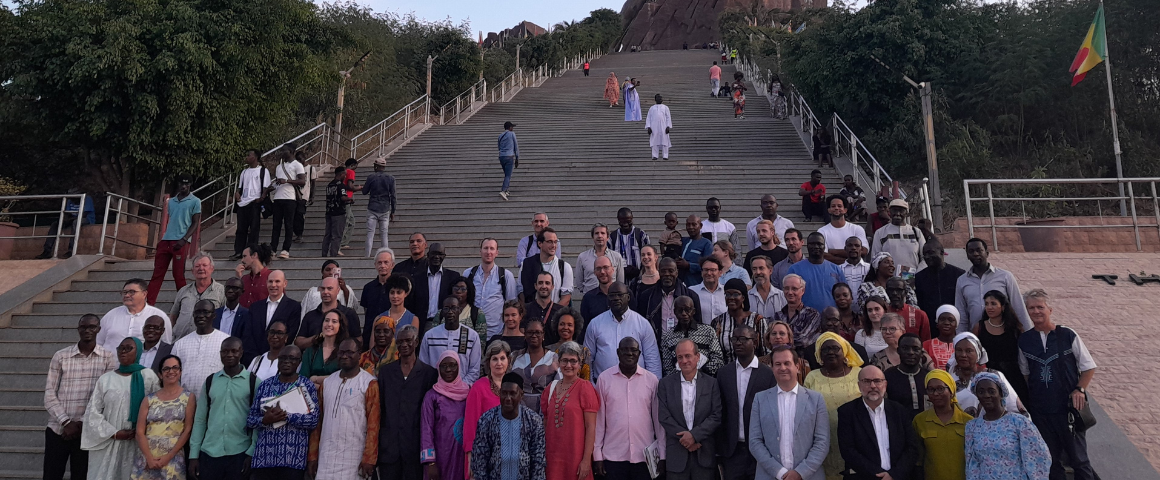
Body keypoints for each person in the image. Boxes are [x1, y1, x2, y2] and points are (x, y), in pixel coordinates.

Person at [1017, 289, 1098, 480]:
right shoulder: (1024, 341)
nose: (1036, 311)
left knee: (1079, 460)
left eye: (1040, 307)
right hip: (1041, 410)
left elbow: (1088, 367)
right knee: (1050, 460)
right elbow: (1026, 374)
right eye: (1031, 308)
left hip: (1068, 410)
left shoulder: (1067, 335)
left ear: (1049, 309)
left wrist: (1079, 389)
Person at [43, 314, 118, 480]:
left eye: (92, 327)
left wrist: (82, 423)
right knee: (51, 475)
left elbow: (104, 397)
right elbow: (49, 393)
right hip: (58, 429)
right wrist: (66, 422)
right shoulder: (61, 356)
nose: (87, 331)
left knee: (81, 476)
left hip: (87, 431)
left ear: (99, 329)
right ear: (78, 330)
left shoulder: (107, 358)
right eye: (83, 327)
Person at [81, 337, 162, 479]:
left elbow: (156, 410)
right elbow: (92, 413)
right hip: (108, 441)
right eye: (121, 348)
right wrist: (114, 433)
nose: (123, 351)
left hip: (137, 442)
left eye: (129, 348)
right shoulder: (105, 379)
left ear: (138, 352)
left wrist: (141, 432)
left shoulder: (148, 376)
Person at [750, 345, 830, 480]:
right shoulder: (760, 399)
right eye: (777, 364)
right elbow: (755, 441)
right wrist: (779, 472)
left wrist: (800, 472)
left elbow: (822, 441)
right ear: (772, 368)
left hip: (808, 476)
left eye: (787, 363)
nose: (782, 368)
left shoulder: (816, 399)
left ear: (797, 366)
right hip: (770, 475)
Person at [592, 337, 666, 480]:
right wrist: (597, 456)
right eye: (625, 350)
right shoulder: (604, 379)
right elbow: (599, 421)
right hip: (613, 456)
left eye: (633, 350)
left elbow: (658, 421)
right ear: (618, 353)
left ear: (639, 353)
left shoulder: (651, 380)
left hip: (644, 457)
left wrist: (662, 455)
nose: (629, 353)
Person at [306, 339, 380, 480]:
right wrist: (312, 456)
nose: (344, 356)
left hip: (354, 459)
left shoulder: (369, 383)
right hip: (326, 459)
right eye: (341, 352)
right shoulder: (327, 383)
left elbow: (373, 425)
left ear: (359, 355)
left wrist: (369, 459)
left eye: (349, 352)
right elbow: (318, 423)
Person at [245, 345, 319, 479]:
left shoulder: (306, 385)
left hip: (293, 460)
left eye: (292, 358)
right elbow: (250, 419)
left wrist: (286, 416)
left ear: (299, 362)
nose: (286, 362)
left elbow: (313, 420)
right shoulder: (265, 385)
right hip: (264, 458)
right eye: (283, 358)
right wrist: (264, 420)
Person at [835, 365, 920, 480]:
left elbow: (912, 447)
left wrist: (894, 474)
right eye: (867, 381)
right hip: (863, 477)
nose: (873, 386)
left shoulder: (899, 411)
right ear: (859, 385)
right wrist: (879, 475)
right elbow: (848, 451)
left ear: (885, 385)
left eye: (877, 381)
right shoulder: (847, 412)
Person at [188, 338, 257, 480]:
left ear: (241, 353)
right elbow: (200, 420)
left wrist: (251, 453)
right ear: (220, 354)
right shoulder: (210, 381)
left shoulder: (254, 381)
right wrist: (194, 455)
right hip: (209, 453)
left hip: (239, 452)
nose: (229, 354)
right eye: (225, 351)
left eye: (234, 351)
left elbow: (258, 421)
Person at [963, 372, 1050, 480]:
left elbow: (1037, 458)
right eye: (981, 391)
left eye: (991, 391)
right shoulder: (972, 427)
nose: (986, 395)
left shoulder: (1019, 422)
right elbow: (972, 465)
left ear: (1001, 393)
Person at [377, 325, 437, 480]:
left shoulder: (429, 374)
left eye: (408, 340)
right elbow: (380, 409)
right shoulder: (385, 372)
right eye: (400, 341)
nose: (404, 345)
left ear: (416, 342)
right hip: (389, 449)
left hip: (414, 449)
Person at [715, 324, 774, 480]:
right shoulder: (723, 373)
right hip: (732, 452)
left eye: (743, 339)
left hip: (760, 451)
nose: (738, 343)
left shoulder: (767, 374)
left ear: (755, 342)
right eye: (734, 339)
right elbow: (720, 412)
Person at [657, 340, 722, 480]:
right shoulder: (665, 384)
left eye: (688, 356)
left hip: (703, 452)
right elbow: (664, 416)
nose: (684, 361)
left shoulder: (712, 383)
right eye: (680, 357)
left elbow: (716, 415)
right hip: (677, 455)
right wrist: (685, 438)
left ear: (697, 357)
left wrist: (694, 436)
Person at [802, 333, 863, 479]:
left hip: (857, 439)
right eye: (825, 349)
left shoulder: (859, 374)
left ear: (844, 351)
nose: (830, 352)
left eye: (835, 348)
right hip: (823, 440)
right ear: (819, 354)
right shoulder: (812, 377)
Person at [470, 372, 547, 480]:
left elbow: (538, 462)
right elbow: (479, 461)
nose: (507, 398)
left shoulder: (533, 421)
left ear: (521, 394)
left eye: (512, 393)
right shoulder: (486, 420)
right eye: (504, 393)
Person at [541, 341, 599, 480]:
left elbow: (591, 427)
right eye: (564, 360)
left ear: (580, 364)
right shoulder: (550, 388)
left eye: (573, 361)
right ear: (559, 362)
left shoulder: (585, 387)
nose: (568, 365)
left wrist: (586, 461)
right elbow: (545, 423)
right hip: (552, 457)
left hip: (576, 458)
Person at [131, 354, 194, 480]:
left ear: (180, 372)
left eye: (175, 368)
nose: (171, 371)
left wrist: (168, 457)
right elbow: (139, 432)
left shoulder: (188, 397)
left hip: (173, 458)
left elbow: (187, 430)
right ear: (160, 374)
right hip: (147, 457)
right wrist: (149, 458)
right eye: (166, 369)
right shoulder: (149, 399)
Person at [584, 282, 663, 381]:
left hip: (637, 385)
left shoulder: (642, 324)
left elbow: (652, 359)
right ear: (607, 299)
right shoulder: (595, 324)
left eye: (620, 295)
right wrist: (591, 386)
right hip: (602, 387)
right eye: (612, 295)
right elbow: (587, 359)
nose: (616, 298)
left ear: (628, 297)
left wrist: (654, 387)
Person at [955, 238, 1031, 333]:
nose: (975, 254)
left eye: (979, 250)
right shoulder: (962, 281)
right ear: (967, 255)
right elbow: (961, 312)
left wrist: (1029, 335)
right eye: (971, 251)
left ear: (987, 253)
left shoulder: (1005, 276)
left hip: (1005, 334)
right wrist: (961, 337)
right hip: (976, 335)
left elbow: (1018, 307)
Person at [147, 174, 202, 305]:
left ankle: (184, 303)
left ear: (190, 185)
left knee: (178, 275)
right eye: (181, 184)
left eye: (187, 184)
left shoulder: (195, 201)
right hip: (166, 240)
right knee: (157, 274)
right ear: (178, 184)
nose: (184, 186)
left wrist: (184, 239)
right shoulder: (171, 201)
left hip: (180, 241)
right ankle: (149, 303)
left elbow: (195, 223)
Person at [912, 369, 972, 480]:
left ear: (951, 391)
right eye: (931, 390)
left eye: (940, 389)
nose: (935, 394)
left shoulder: (968, 422)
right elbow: (918, 460)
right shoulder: (920, 421)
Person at [464, 340, 511, 477]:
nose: (499, 363)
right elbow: (470, 425)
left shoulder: (513, 386)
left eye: (502, 358)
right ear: (488, 362)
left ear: (508, 360)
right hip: (483, 454)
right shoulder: (478, 388)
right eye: (494, 359)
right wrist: (471, 457)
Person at [420, 351, 470, 480]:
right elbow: (426, 430)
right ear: (438, 368)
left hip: (462, 455)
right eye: (444, 366)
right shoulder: (432, 396)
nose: (448, 369)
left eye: (452, 365)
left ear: (459, 366)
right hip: (440, 457)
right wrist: (430, 462)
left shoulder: (469, 393)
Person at [948, 332, 1024, 417]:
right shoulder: (949, 379)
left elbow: (1014, 406)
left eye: (969, 351)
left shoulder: (994, 376)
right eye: (959, 350)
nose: (963, 355)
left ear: (978, 353)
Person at [975, 290, 1030, 403]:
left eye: (993, 303)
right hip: (988, 377)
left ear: (1003, 306)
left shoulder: (1015, 328)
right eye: (986, 304)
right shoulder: (979, 327)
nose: (989, 307)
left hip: (1013, 377)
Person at [237, 270, 301, 365]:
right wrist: (255, 358)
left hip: (278, 361)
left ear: (285, 283)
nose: (273, 285)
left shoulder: (293, 307)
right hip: (253, 360)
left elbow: (289, 335)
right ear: (266, 283)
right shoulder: (255, 307)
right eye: (270, 281)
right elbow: (248, 334)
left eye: (277, 281)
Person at [98, 279, 174, 353]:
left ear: (144, 294)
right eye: (124, 292)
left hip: (143, 365)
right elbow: (98, 342)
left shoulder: (158, 316)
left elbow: (165, 345)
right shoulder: (111, 315)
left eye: (132, 292)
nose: (127, 295)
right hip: (111, 364)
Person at [464, 238, 519, 338]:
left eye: (492, 248)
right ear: (480, 251)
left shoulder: (506, 275)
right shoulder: (469, 273)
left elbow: (511, 304)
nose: (488, 252)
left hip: (496, 332)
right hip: (471, 330)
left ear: (497, 252)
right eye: (485, 248)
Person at [171, 300, 230, 392]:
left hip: (216, 400)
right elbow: (173, 374)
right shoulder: (180, 344)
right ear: (193, 315)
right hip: (185, 400)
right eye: (197, 312)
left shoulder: (225, 341)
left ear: (214, 315)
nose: (201, 316)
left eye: (206, 312)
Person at [635, 257, 704, 334]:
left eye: (671, 271)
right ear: (659, 272)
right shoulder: (646, 296)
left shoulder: (691, 296)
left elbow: (698, 325)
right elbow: (641, 324)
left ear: (676, 273)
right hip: (656, 343)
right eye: (663, 271)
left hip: (683, 342)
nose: (667, 274)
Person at [661, 296, 723, 377]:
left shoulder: (708, 331)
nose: (684, 313)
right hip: (679, 384)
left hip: (705, 381)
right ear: (674, 312)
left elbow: (718, 359)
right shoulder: (668, 336)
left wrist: (700, 372)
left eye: (687, 310)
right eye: (680, 310)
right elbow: (667, 367)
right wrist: (683, 376)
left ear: (693, 311)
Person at [169, 252, 225, 339]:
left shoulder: (221, 291)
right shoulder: (184, 290)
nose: (201, 268)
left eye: (204, 265)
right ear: (192, 271)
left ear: (212, 269)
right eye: (197, 266)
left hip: (208, 341)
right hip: (180, 340)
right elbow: (173, 315)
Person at [713, 278, 767, 365]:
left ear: (743, 297)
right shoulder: (718, 322)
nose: (731, 298)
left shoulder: (757, 320)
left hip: (754, 371)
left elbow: (765, 352)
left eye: (735, 294)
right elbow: (715, 353)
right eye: (727, 294)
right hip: (726, 372)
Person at [788, 232, 846, 312]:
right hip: (804, 319)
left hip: (831, 319)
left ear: (824, 246)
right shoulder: (795, 269)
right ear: (807, 246)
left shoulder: (836, 269)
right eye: (812, 244)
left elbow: (844, 295)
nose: (816, 247)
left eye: (819, 244)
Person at [231, 150, 272, 261]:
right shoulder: (244, 172)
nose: (247, 157)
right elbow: (240, 187)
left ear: (256, 157)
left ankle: (251, 251)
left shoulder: (263, 171)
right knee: (241, 229)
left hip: (254, 202)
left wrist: (261, 198)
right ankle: (239, 251)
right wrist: (237, 193)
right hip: (243, 203)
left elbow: (266, 187)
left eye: (249, 155)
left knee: (254, 229)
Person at [518, 227, 574, 306]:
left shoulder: (565, 267)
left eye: (555, 242)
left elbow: (566, 298)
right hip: (531, 315)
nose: (553, 245)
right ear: (540, 243)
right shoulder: (526, 265)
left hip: (555, 315)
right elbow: (521, 293)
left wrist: (552, 315)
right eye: (550, 242)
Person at [511, 319, 559, 411]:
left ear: (543, 335)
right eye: (530, 332)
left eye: (538, 332)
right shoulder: (515, 356)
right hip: (518, 408)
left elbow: (559, 387)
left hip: (545, 409)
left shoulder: (554, 358)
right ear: (525, 334)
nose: (533, 335)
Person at [769, 274, 823, 354]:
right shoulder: (777, 316)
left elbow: (804, 340)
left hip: (803, 362)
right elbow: (770, 340)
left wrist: (780, 340)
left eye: (794, 289)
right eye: (786, 288)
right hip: (779, 360)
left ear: (803, 291)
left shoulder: (812, 315)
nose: (790, 292)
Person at [914, 239, 966, 323]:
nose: (927, 257)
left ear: (942, 252)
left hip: (954, 324)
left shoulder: (959, 274)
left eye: (930, 253)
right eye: (925, 254)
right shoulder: (919, 277)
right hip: (930, 325)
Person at [883, 333, 933, 420]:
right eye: (905, 348)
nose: (910, 352)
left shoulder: (929, 377)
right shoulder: (887, 377)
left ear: (922, 353)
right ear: (898, 351)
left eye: (915, 349)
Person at [37, 188, 96, 259]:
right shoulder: (69, 200)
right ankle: (47, 250)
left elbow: (84, 214)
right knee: (55, 224)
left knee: (75, 222)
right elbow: (67, 213)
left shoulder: (87, 198)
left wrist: (70, 219)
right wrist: (64, 220)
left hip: (86, 219)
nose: (72, 200)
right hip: (72, 218)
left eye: (74, 198)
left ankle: (71, 250)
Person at [871, 199, 925, 275]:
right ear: (889, 212)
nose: (897, 213)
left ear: (907, 212)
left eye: (901, 211)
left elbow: (924, 257)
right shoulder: (880, 232)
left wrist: (917, 274)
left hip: (913, 280)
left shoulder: (916, 232)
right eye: (894, 210)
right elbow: (875, 258)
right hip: (889, 281)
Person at [270, 149, 306, 259]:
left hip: (290, 198)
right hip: (278, 197)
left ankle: (286, 249)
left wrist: (287, 181)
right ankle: (273, 249)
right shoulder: (279, 166)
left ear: (291, 151)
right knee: (276, 225)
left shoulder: (297, 165)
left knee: (288, 224)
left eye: (284, 149)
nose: (282, 152)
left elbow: (302, 181)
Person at [299, 309, 351, 386]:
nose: (329, 324)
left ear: (340, 326)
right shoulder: (310, 351)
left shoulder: (344, 351)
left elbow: (345, 377)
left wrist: (317, 379)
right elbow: (303, 379)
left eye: (334, 321)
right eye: (326, 320)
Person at [575, 223, 626, 298]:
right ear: (592, 237)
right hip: (590, 298)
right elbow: (579, 283)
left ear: (607, 237)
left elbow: (620, 281)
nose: (599, 236)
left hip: (611, 298)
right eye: (596, 233)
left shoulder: (616, 257)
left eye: (602, 233)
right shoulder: (582, 257)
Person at [359, 157, 397, 256]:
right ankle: (386, 256)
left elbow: (364, 192)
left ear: (376, 166)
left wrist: (363, 187)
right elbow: (393, 195)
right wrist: (393, 211)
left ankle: (367, 255)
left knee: (370, 233)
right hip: (385, 208)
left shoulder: (371, 177)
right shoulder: (391, 178)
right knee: (384, 234)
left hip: (372, 207)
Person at [870, 315, 934, 371]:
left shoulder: (918, 352)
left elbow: (934, 374)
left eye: (892, 329)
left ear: (903, 331)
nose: (887, 332)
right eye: (884, 329)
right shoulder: (877, 357)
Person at [817, 196, 868, 264]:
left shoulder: (857, 229)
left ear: (845, 210)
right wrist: (849, 261)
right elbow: (824, 255)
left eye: (839, 206)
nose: (836, 208)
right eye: (833, 206)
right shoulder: (822, 231)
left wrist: (833, 252)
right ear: (829, 210)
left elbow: (864, 251)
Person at [608, 207, 650, 281]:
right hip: (619, 279)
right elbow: (608, 257)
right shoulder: (612, 237)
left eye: (628, 221)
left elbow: (649, 255)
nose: (625, 224)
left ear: (632, 218)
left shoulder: (641, 235)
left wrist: (640, 271)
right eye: (622, 221)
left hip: (638, 278)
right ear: (618, 219)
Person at [886, 276, 931, 341]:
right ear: (886, 291)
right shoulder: (881, 313)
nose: (894, 293)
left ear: (906, 292)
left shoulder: (919, 314)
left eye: (899, 290)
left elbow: (926, 343)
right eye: (891, 290)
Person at [321, 166, 352, 257]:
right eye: (344, 175)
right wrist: (350, 199)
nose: (345, 177)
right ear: (341, 174)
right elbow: (343, 197)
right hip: (338, 213)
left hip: (329, 211)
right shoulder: (341, 185)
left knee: (328, 235)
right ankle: (333, 254)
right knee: (337, 235)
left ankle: (324, 253)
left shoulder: (329, 185)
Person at [580, 256, 616, 328]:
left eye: (606, 267)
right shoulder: (588, 298)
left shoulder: (625, 294)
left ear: (613, 269)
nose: (602, 272)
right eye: (598, 269)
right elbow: (585, 327)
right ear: (594, 272)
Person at [690, 256, 726, 325]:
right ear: (701, 272)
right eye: (706, 270)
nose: (709, 273)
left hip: (723, 334)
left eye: (713, 270)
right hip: (700, 334)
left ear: (720, 272)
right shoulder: (692, 291)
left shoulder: (726, 292)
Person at [679, 214, 713, 286]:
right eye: (688, 225)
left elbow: (708, 266)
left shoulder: (706, 243)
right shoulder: (682, 241)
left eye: (694, 224)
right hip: (679, 284)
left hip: (696, 284)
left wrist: (689, 265)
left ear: (700, 226)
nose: (691, 227)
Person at [236, 244, 272, 308]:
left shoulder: (271, 276)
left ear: (254, 255)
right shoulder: (244, 279)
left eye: (245, 256)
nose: (242, 260)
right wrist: (239, 279)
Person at [925, 305, 959, 370]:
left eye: (951, 320)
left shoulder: (964, 344)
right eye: (942, 319)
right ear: (937, 323)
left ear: (956, 324)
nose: (946, 323)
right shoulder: (926, 345)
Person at [646, 93, 673, 160]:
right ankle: (655, 155)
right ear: (655, 99)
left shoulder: (665, 107)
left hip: (663, 126)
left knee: (665, 140)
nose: (660, 99)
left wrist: (668, 126)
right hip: (654, 127)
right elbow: (648, 118)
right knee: (654, 140)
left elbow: (668, 117)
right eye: (659, 98)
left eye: (661, 98)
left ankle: (665, 155)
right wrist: (648, 127)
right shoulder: (652, 108)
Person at [497, 121, 519, 200]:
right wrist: (517, 157)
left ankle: (506, 190)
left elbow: (499, 147)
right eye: (512, 127)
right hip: (509, 156)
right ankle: (503, 191)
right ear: (509, 128)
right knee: (508, 175)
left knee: (506, 174)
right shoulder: (512, 134)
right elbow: (515, 146)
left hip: (501, 157)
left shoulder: (500, 136)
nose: (512, 128)